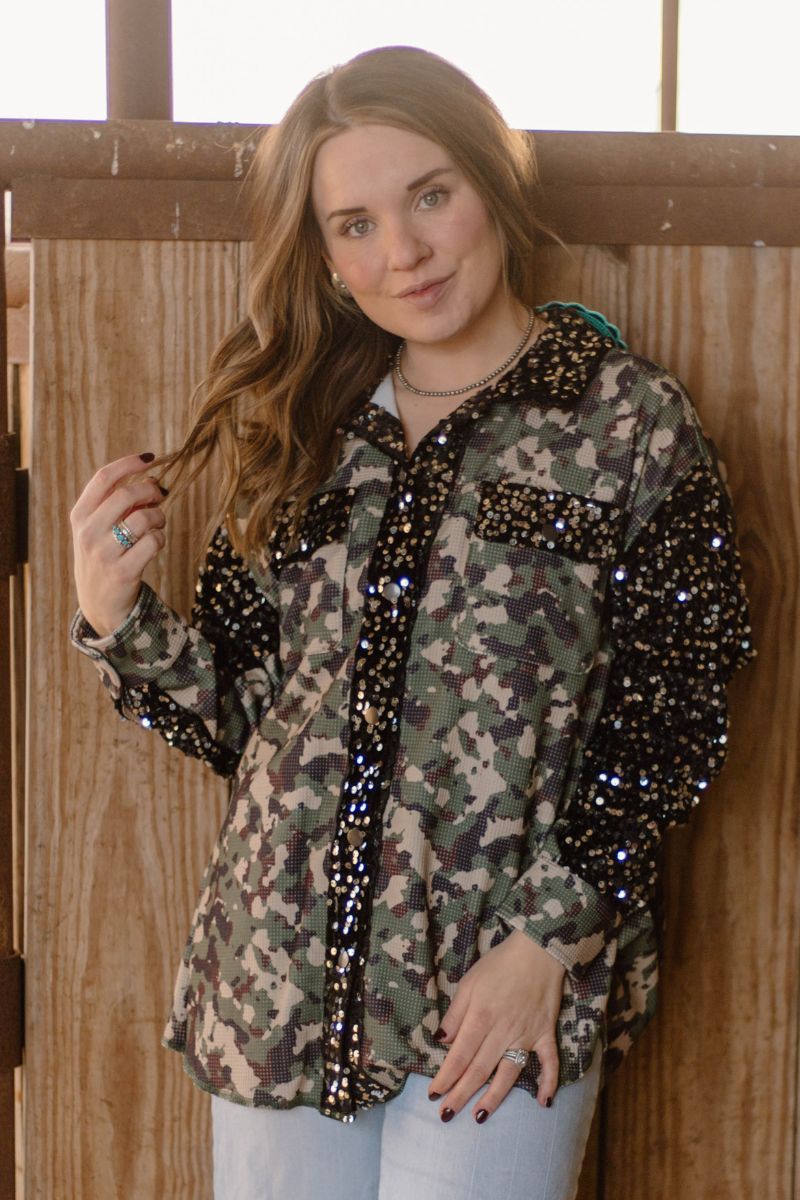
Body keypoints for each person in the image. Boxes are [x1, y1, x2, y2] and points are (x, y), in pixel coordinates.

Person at [68, 45, 756, 1200]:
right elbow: (246, 720)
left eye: (430, 195)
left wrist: (548, 941)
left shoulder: (627, 423)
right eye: (356, 224)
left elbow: (673, 710)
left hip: (497, 993)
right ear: (328, 260)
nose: (403, 250)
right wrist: (116, 615)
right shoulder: (298, 428)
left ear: (491, 183)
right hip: (277, 986)